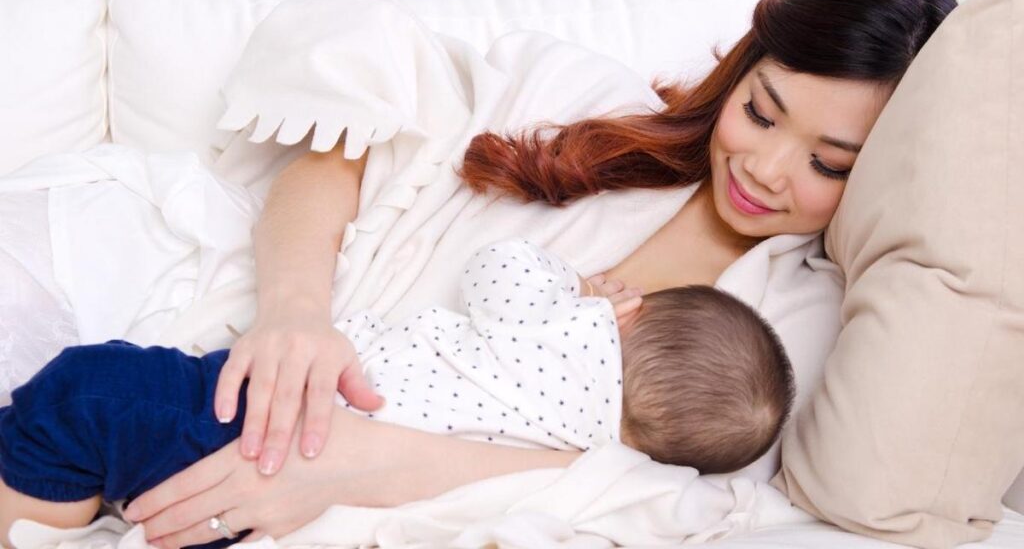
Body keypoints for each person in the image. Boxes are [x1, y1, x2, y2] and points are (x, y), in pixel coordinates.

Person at [0, 0, 957, 546]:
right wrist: (296, 310)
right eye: (760, 110)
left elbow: (662, 502)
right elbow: (344, 130)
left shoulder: (797, 327)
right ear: (740, 68)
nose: (765, 167)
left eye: (832, 164)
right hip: (198, 281)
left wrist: (365, 463)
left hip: (302, 442)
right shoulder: (581, 102)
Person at [0, 238, 793, 547]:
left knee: (86, 393)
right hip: (280, 500)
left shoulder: (575, 326)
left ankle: (34, 512)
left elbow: (500, 265)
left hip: (275, 416)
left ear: (632, 314)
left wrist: (578, 286)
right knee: (117, 434)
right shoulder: (598, 454)